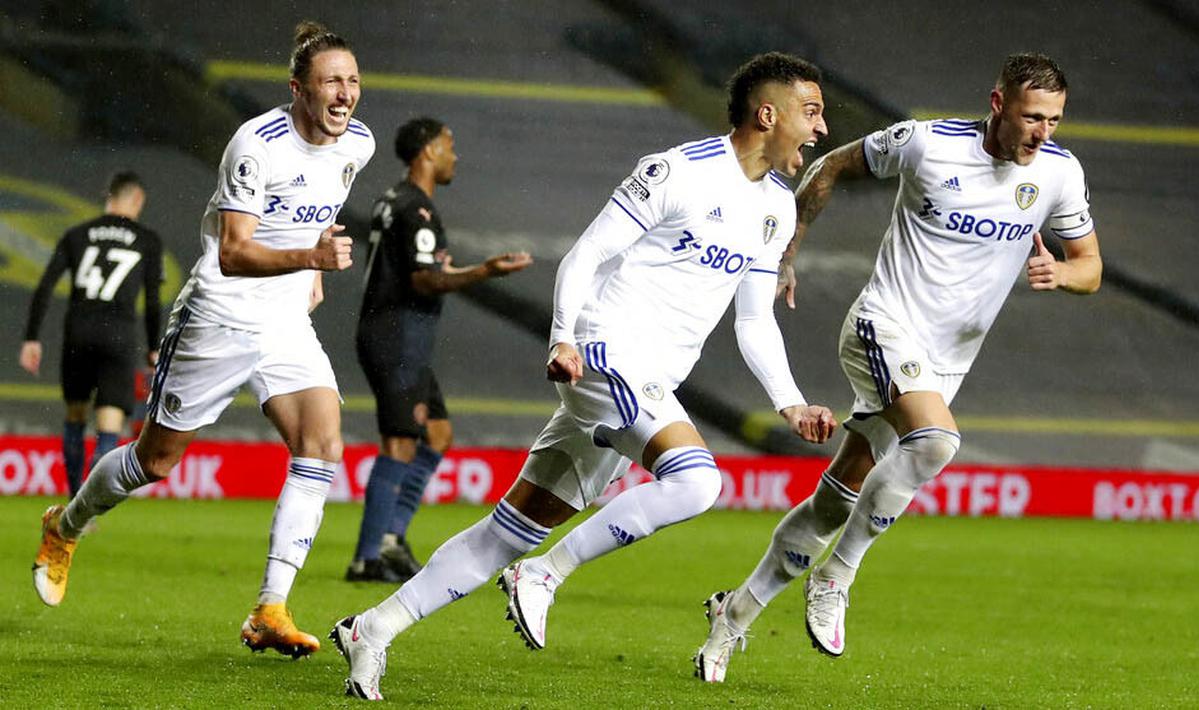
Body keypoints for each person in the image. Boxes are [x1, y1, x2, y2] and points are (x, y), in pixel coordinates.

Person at [328, 51, 837, 701]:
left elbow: (754, 318)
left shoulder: (776, 208)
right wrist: (563, 336)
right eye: (811, 112)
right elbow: (587, 253)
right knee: (696, 482)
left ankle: (372, 629)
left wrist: (790, 402)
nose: (821, 128)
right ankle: (546, 574)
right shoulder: (676, 171)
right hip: (605, 351)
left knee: (508, 533)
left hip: (646, 380)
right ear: (768, 115)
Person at [694, 52, 1102, 682]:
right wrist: (784, 253)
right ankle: (837, 575)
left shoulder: (1058, 173)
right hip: (883, 326)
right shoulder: (926, 144)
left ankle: (733, 616)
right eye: (1031, 118)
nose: (1041, 133)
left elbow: (1090, 266)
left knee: (836, 501)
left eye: (1053, 120)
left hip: (946, 362)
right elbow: (831, 164)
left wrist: (1062, 273)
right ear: (998, 105)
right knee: (936, 442)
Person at [32, 21, 375, 660]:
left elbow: (321, 204)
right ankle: (66, 523)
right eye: (331, 81)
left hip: (284, 321)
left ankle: (270, 608)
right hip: (220, 314)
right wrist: (312, 257)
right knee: (154, 461)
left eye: (352, 81)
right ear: (297, 89)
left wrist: (312, 268)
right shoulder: (255, 146)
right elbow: (234, 254)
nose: (345, 93)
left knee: (322, 443)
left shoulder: (358, 142)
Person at [348, 116, 532, 583]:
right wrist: (485, 271)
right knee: (399, 442)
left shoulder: (393, 200)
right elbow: (425, 280)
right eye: (449, 145)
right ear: (429, 150)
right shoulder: (418, 209)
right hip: (397, 336)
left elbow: (422, 267)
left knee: (437, 434)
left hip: (396, 334)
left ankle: (391, 539)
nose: (455, 155)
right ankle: (368, 556)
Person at [21, 171, 163, 499]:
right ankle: (89, 506)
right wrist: (154, 347)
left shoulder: (77, 235)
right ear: (138, 199)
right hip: (118, 337)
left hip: (79, 334)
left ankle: (73, 499)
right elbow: (153, 301)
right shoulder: (147, 240)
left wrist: (31, 338)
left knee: (75, 415)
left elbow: (45, 286)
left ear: (108, 196)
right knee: (109, 424)